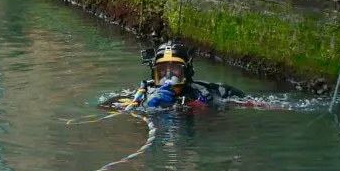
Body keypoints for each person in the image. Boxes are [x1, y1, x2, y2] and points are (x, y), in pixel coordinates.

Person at [103, 42, 245, 111]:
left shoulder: (213, 92)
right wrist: (145, 106)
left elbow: (258, 104)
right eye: (162, 72)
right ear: (154, 74)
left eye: (176, 71)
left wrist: (208, 107)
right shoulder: (140, 96)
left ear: (187, 72)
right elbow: (105, 106)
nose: (169, 77)